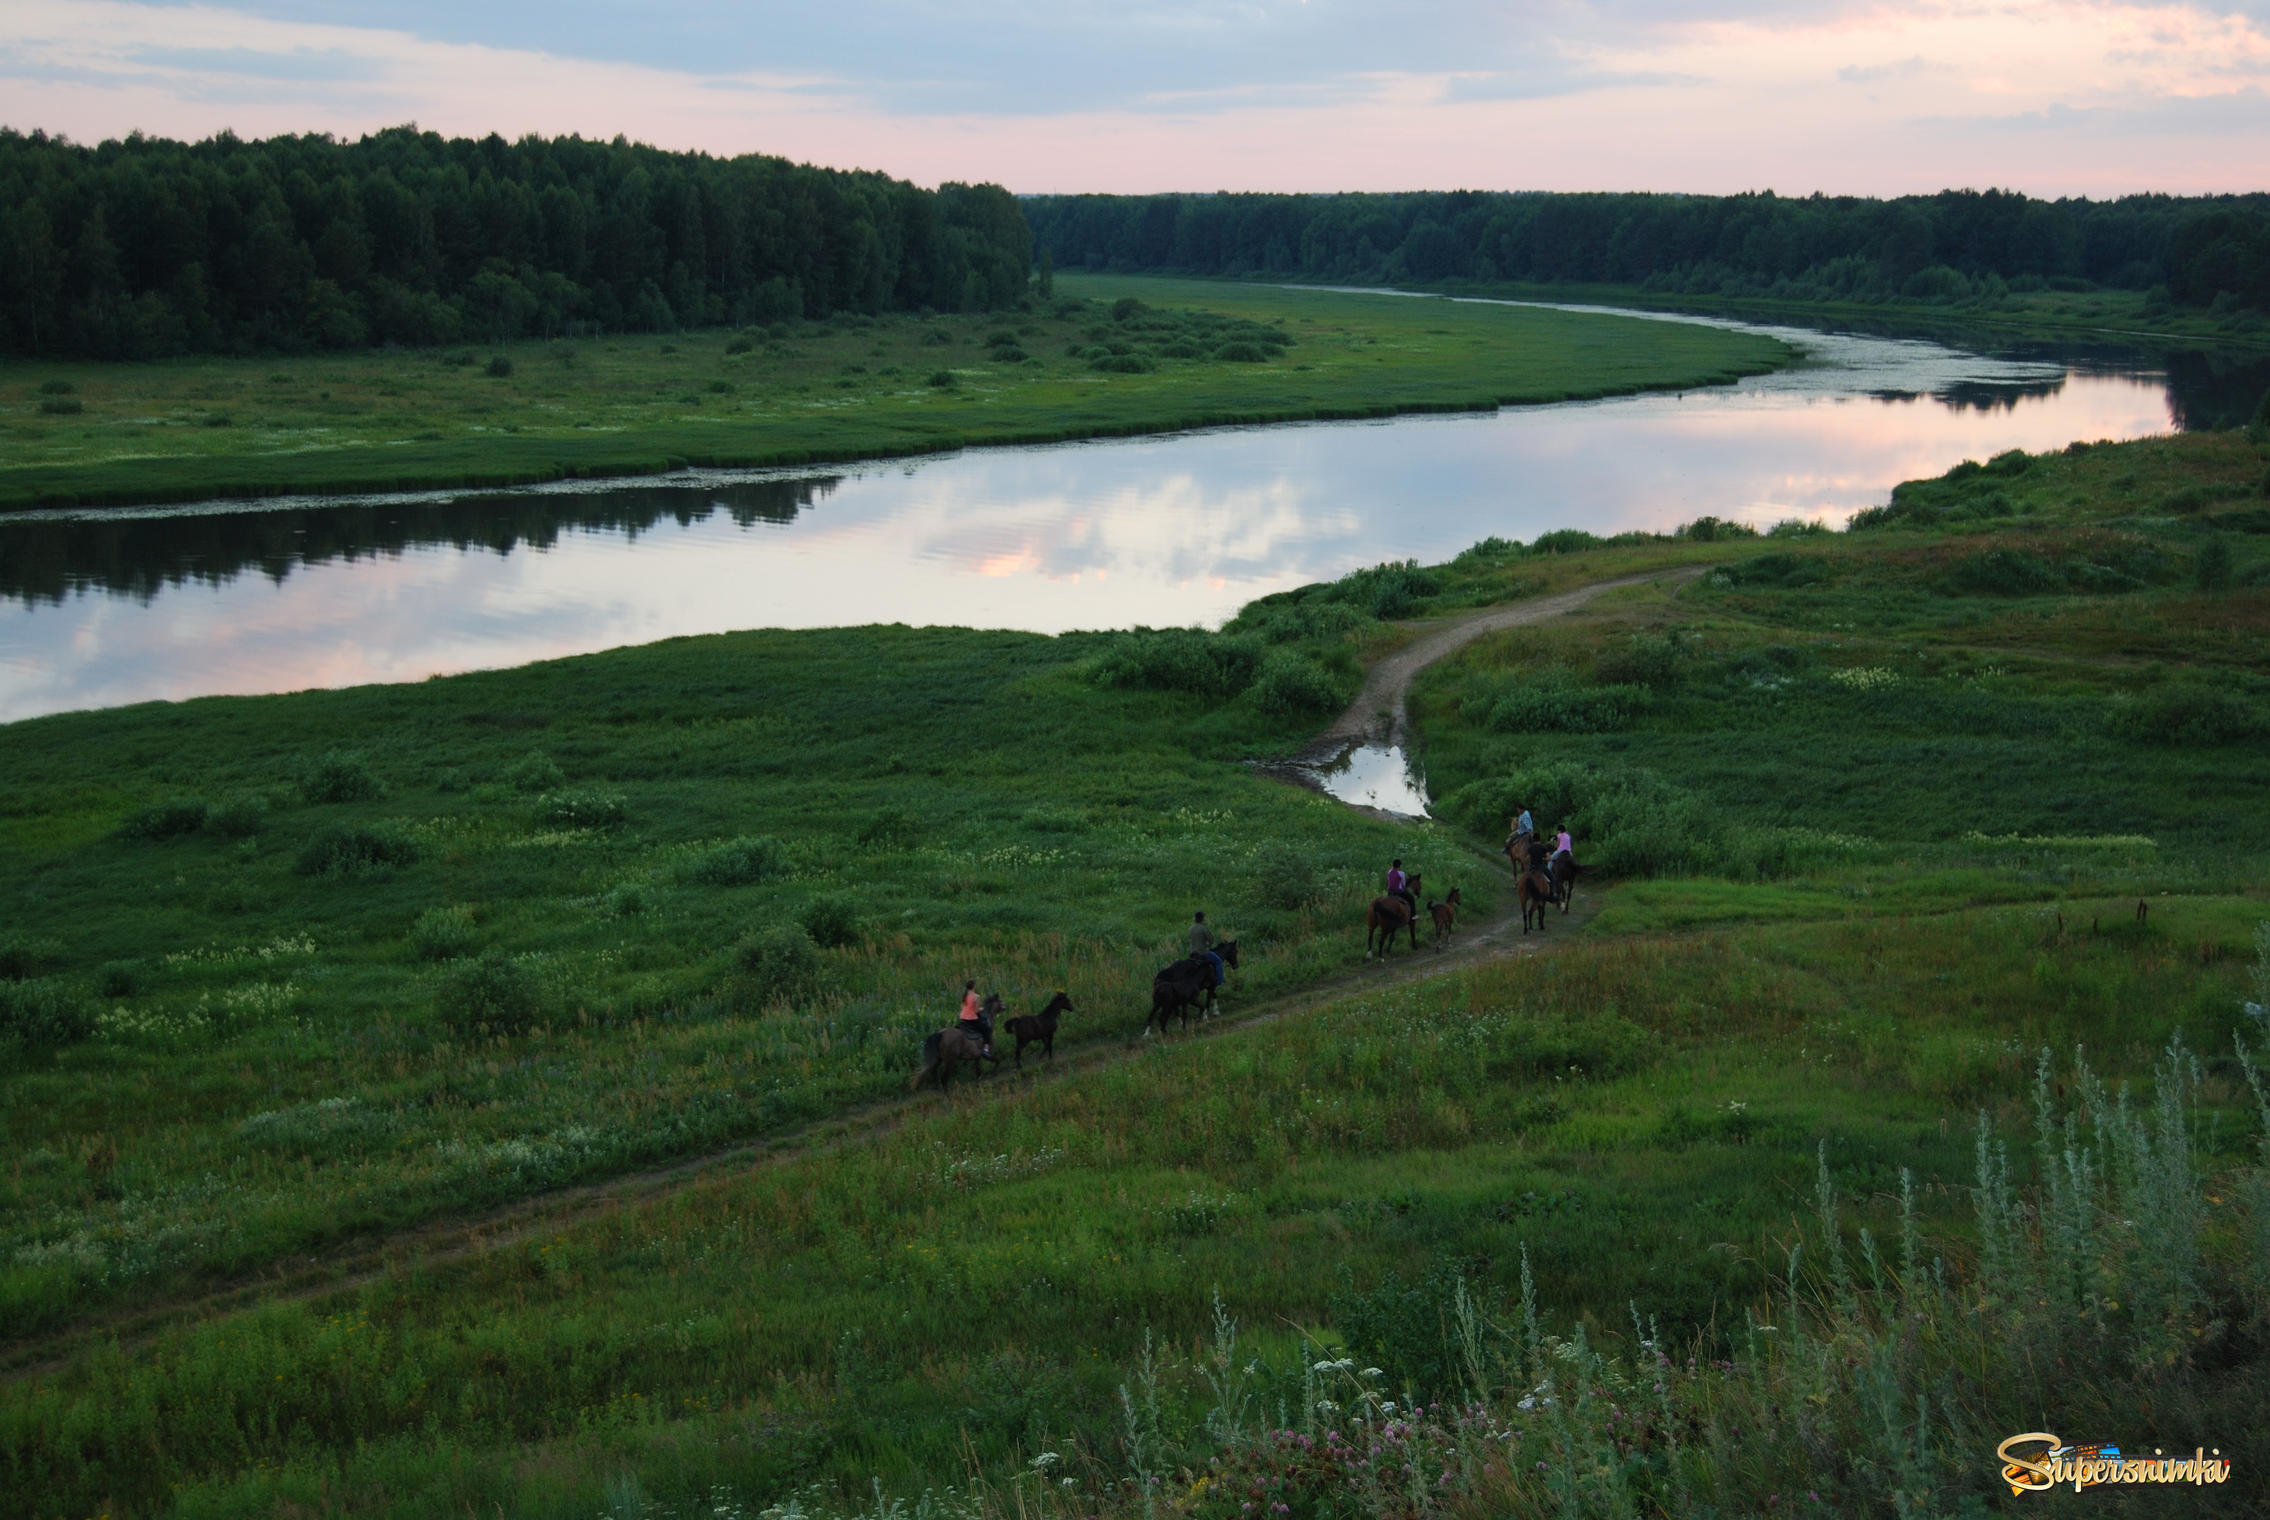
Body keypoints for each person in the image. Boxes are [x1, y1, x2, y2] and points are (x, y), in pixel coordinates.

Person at [1189, 911, 1225, 990]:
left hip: (1192, 953)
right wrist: (1207, 945)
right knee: (1218, 961)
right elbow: (1211, 940)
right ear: (1202, 919)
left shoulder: (1191, 928)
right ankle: (1220, 981)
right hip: (1203, 953)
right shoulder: (1203, 928)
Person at [958, 978, 991, 1056]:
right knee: (987, 1030)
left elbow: (963, 1007)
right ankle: (986, 1049)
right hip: (971, 1019)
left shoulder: (964, 996)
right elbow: (976, 1011)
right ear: (974, 986)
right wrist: (982, 1008)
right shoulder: (976, 996)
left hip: (963, 1018)